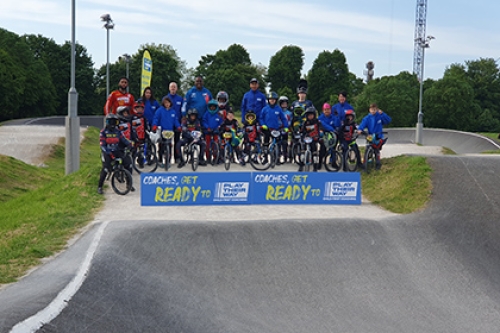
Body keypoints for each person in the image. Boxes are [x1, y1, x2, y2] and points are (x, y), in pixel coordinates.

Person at [97, 113, 133, 194]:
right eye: (111, 122)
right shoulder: (103, 132)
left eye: (115, 122)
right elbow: (102, 145)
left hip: (117, 150)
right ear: (107, 122)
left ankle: (129, 184)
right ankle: (100, 186)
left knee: (129, 164)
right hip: (107, 152)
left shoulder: (118, 131)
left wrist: (129, 144)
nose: (113, 124)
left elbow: (123, 139)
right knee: (105, 169)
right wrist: (108, 152)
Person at [357, 103, 392, 170]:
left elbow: (388, 120)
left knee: (376, 150)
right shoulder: (367, 118)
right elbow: (362, 125)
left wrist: (383, 114)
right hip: (370, 136)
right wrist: (360, 130)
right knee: (367, 148)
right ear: (369, 110)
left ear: (377, 109)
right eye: (372, 109)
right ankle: (365, 164)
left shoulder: (380, 116)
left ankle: (378, 164)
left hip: (378, 136)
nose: (373, 111)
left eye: (375, 109)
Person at [152, 96, 181, 165]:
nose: (167, 104)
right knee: (161, 145)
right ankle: (160, 159)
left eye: (168, 102)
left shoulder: (173, 112)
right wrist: (154, 125)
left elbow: (175, 121)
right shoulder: (160, 110)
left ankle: (169, 160)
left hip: (170, 131)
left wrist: (179, 126)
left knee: (170, 144)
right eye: (165, 103)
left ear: (170, 103)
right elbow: (156, 118)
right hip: (162, 131)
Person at [260, 92, 289, 159]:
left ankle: (277, 158)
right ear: (268, 100)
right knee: (266, 143)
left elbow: (283, 119)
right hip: (267, 128)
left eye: (273, 99)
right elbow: (261, 118)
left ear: (276, 100)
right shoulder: (265, 109)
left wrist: (286, 127)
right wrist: (263, 124)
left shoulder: (278, 109)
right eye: (270, 99)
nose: (272, 101)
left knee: (277, 143)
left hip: (276, 129)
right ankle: (265, 158)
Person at [164, 82, 184, 162]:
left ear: (177, 89)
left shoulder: (180, 99)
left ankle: (177, 158)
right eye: (171, 87)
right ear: (169, 88)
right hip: (167, 124)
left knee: (177, 141)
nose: (173, 88)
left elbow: (183, 110)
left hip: (177, 123)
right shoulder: (165, 98)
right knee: (166, 142)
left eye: (174, 87)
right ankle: (166, 158)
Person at [299, 107, 324, 172]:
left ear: (314, 115)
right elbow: (302, 130)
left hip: (314, 139)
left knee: (315, 153)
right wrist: (300, 132)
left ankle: (315, 168)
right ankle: (301, 166)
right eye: (308, 115)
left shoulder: (317, 122)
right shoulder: (305, 123)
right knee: (302, 152)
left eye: (311, 115)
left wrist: (320, 133)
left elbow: (321, 129)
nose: (310, 116)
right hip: (306, 138)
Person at [318, 102, 342, 168]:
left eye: (328, 109)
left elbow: (337, 125)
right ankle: (319, 163)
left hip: (332, 135)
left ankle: (333, 162)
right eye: (325, 110)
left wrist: (337, 117)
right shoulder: (320, 118)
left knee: (333, 148)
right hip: (324, 134)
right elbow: (323, 125)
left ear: (330, 110)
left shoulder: (333, 117)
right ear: (323, 110)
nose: (327, 111)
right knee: (322, 148)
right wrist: (332, 129)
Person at [279, 96, 293, 162]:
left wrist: (287, 126)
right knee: (278, 142)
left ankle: (285, 156)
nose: (284, 105)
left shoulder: (289, 113)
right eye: (283, 103)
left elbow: (290, 120)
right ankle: (277, 156)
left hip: (285, 129)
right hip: (279, 128)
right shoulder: (278, 111)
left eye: (285, 103)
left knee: (285, 143)